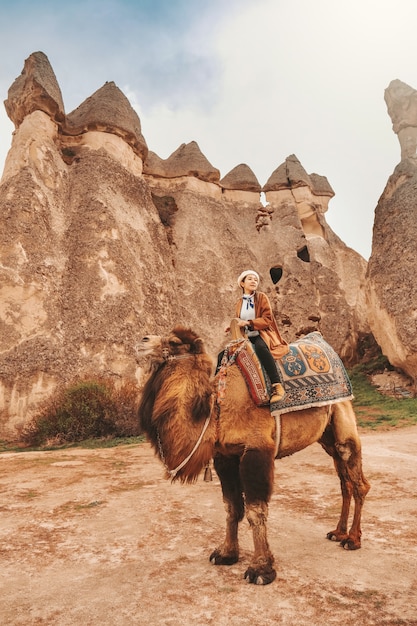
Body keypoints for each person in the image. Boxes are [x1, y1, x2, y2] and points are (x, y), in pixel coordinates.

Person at [227, 269, 288, 403]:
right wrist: (233, 325)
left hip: (262, 333)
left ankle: (277, 385)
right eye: (250, 279)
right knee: (224, 354)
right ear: (242, 283)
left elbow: (267, 319)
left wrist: (249, 323)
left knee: (261, 348)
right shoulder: (239, 303)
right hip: (246, 337)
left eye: (255, 279)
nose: (253, 281)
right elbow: (239, 320)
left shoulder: (261, 297)